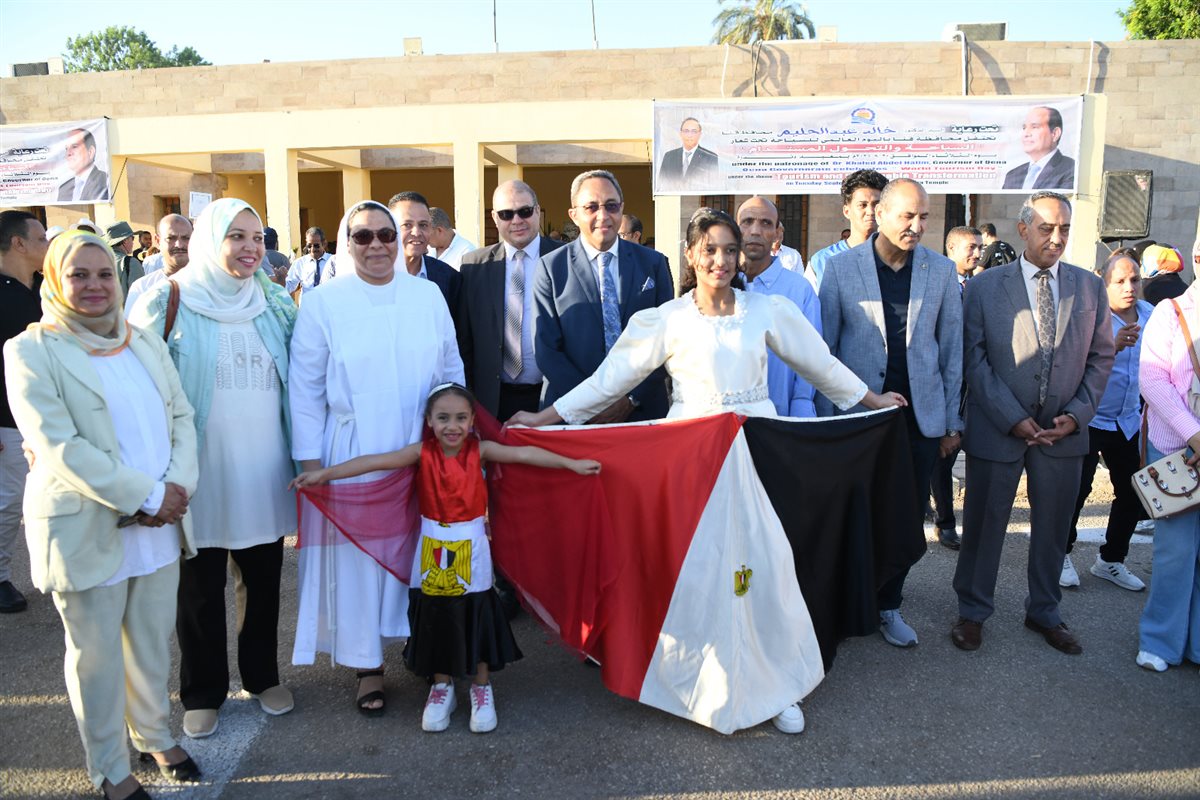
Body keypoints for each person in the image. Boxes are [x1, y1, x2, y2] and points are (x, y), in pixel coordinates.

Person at [509, 207, 905, 733]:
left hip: (757, 454)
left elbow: (821, 365)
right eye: (710, 249)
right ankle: (702, 680)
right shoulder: (666, 319)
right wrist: (544, 418)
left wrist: (873, 400)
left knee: (764, 568)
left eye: (730, 250)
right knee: (699, 570)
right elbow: (608, 381)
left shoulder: (768, 310)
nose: (721, 260)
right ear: (691, 255)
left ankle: (775, 682)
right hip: (689, 460)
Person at [4, 230, 200, 800]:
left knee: (150, 643)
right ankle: (110, 768)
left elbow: (182, 417)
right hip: (87, 526)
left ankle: (154, 734)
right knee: (96, 658)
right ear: (54, 280)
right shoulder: (30, 351)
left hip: (159, 525)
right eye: (78, 275)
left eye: (104, 274)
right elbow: (58, 445)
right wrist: (148, 496)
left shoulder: (143, 342)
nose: (94, 286)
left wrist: (177, 487)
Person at [293, 383, 599, 732]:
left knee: (476, 612)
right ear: (429, 421)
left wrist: (572, 464)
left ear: (472, 421)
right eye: (443, 418)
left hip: (472, 547)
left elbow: (527, 455)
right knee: (436, 615)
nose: (452, 426)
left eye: (460, 418)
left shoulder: (481, 450)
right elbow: (373, 462)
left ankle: (481, 687)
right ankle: (442, 687)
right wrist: (324, 474)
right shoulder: (420, 453)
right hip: (432, 546)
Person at [128, 199, 297, 740]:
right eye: (236, 236)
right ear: (209, 240)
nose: (251, 248)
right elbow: (136, 387)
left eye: (257, 237)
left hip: (264, 467)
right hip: (197, 471)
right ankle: (202, 692)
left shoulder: (274, 302)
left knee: (263, 579)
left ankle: (262, 677)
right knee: (198, 589)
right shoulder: (166, 301)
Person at [288, 199, 464, 715]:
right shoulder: (324, 302)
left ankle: (427, 651)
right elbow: (305, 388)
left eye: (386, 234)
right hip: (354, 449)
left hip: (421, 445)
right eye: (363, 236)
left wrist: (455, 438)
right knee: (360, 563)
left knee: (423, 553)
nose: (377, 246)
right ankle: (367, 664)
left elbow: (450, 367)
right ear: (347, 243)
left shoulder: (427, 294)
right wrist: (311, 463)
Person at [951, 191, 1113, 655]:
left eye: (1064, 229)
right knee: (983, 526)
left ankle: (1044, 611)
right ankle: (972, 611)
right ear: (1023, 229)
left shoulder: (1089, 287)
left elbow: (1101, 357)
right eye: (1046, 228)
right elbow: (974, 359)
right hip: (998, 429)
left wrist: (1076, 416)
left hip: (1062, 435)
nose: (1057, 238)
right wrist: (1013, 417)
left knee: (1053, 529)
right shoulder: (984, 287)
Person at [818, 178, 964, 646]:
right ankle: (848, 601)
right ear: (879, 215)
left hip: (919, 421)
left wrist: (951, 423)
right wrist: (826, 421)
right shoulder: (841, 269)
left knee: (904, 517)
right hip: (858, 418)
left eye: (924, 217)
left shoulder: (941, 271)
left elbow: (952, 352)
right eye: (907, 216)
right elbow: (825, 352)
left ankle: (888, 604)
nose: (917, 226)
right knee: (854, 513)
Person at [533, 170, 675, 423]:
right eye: (591, 207)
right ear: (574, 215)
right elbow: (547, 350)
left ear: (622, 208)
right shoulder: (551, 268)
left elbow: (666, 339)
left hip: (642, 411)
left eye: (611, 206)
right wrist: (590, 403)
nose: (603, 215)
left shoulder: (653, 263)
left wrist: (631, 398)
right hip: (572, 412)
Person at [1062, 250, 1151, 591]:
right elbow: (1071, 366)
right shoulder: (1090, 317)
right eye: (1120, 281)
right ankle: (1060, 554)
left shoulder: (1151, 315)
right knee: (1077, 490)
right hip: (1090, 417)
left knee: (1132, 492)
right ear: (1104, 282)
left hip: (1128, 420)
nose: (1129, 287)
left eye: (1135, 280)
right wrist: (1112, 346)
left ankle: (1111, 560)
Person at [457, 180, 565, 421]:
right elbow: (465, 340)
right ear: (495, 218)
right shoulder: (474, 266)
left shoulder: (565, 258)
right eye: (506, 214)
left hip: (554, 398)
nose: (516, 220)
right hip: (492, 400)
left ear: (537, 211)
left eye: (524, 211)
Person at [1135, 275, 1200, 672]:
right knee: (1175, 550)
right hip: (1176, 448)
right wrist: (1194, 434)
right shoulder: (1170, 311)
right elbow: (1153, 380)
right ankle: (1160, 640)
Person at [0, 211, 48, 614]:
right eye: (41, 238)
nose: (47, 245)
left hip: (44, 420)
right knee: (8, 503)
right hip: (7, 422)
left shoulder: (42, 288)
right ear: (18, 243)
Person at [737, 196, 822, 417]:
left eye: (766, 223)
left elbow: (811, 357)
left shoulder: (799, 290)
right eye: (747, 222)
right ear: (735, 230)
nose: (755, 231)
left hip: (782, 416)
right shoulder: (720, 285)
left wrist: (801, 406)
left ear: (777, 233)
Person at [928, 226, 982, 551]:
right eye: (970, 247)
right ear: (951, 248)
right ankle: (945, 523)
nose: (977, 253)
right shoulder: (937, 282)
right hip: (944, 384)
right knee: (943, 457)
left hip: (974, 386)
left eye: (979, 248)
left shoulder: (980, 286)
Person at [806, 170, 889, 290]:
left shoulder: (898, 258)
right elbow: (807, 301)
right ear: (846, 211)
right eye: (862, 205)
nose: (871, 211)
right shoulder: (822, 261)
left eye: (876, 204)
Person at [389, 192, 461, 311]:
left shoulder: (449, 278)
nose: (416, 233)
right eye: (407, 225)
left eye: (423, 225)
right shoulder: (373, 277)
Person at [124, 215, 192, 314]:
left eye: (186, 238)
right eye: (171, 238)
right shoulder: (142, 288)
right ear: (158, 240)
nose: (179, 245)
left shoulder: (209, 285)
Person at [1002, 106, 1076, 191]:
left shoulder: (1071, 169)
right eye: (1024, 128)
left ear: (1055, 134)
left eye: (1035, 127)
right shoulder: (1012, 176)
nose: (1026, 134)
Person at [657, 117, 719, 191]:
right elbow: (661, 184)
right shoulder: (669, 156)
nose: (690, 135)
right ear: (681, 134)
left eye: (694, 131)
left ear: (700, 134)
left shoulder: (710, 157)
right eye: (686, 131)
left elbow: (713, 186)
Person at [57, 128, 110, 202]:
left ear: (90, 152)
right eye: (66, 148)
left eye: (74, 146)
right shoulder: (64, 189)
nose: (68, 153)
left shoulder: (106, 181)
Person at [284, 227, 332, 297]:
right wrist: (279, 281)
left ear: (324, 244)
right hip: (307, 303)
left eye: (316, 245)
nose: (312, 249)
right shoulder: (300, 263)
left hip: (327, 301)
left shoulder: (332, 261)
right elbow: (289, 285)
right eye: (309, 246)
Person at [104, 221, 145, 297]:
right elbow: (140, 295)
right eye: (132, 238)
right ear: (125, 241)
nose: (133, 242)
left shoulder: (99, 262)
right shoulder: (131, 263)